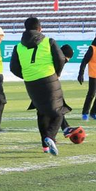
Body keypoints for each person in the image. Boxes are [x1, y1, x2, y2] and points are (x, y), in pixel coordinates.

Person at [10, 17, 68, 155]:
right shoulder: (49, 41)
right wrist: (57, 73)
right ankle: (50, 136)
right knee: (59, 110)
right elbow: (60, 58)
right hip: (49, 79)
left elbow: (13, 68)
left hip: (31, 83)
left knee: (41, 111)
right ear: (40, 28)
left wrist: (27, 75)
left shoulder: (18, 47)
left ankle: (45, 146)